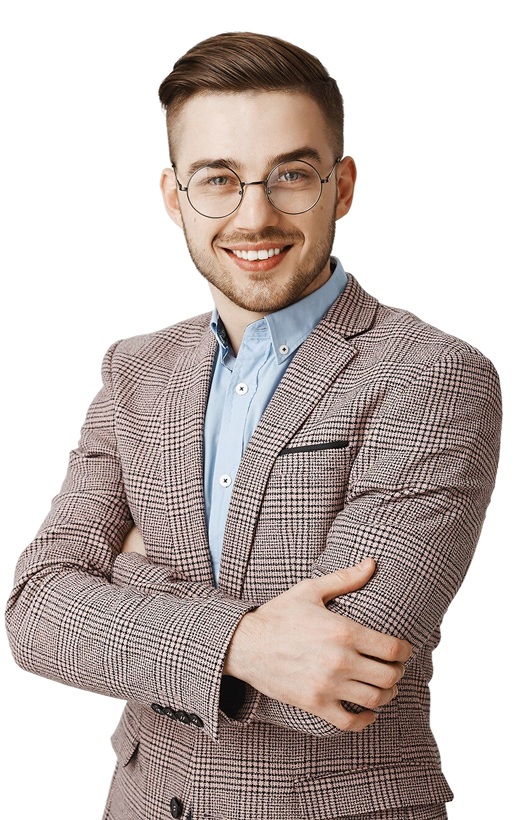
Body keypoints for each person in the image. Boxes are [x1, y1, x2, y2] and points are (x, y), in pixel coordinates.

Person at [4, 31, 502, 820]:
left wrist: (123, 580)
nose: (255, 215)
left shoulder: (432, 373)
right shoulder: (133, 368)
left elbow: (335, 679)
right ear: (174, 198)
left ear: (341, 187)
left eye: (290, 176)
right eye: (219, 180)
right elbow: (33, 617)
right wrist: (246, 643)